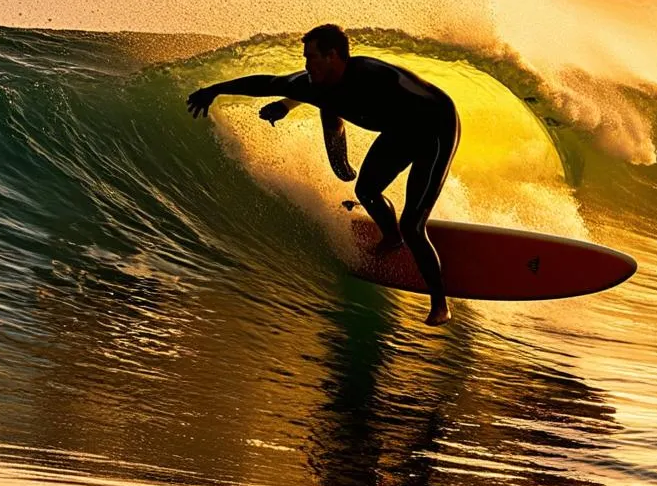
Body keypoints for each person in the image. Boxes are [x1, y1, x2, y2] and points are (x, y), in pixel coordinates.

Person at [186, 24, 461, 326]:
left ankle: (439, 303)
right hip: (399, 133)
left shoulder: (372, 75)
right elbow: (269, 82)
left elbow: (423, 99)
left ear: (333, 56)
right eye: (305, 58)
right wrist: (215, 90)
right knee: (366, 191)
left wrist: (302, 108)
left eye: (312, 57)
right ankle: (392, 238)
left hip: (435, 127)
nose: (307, 64)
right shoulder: (317, 84)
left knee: (413, 224)